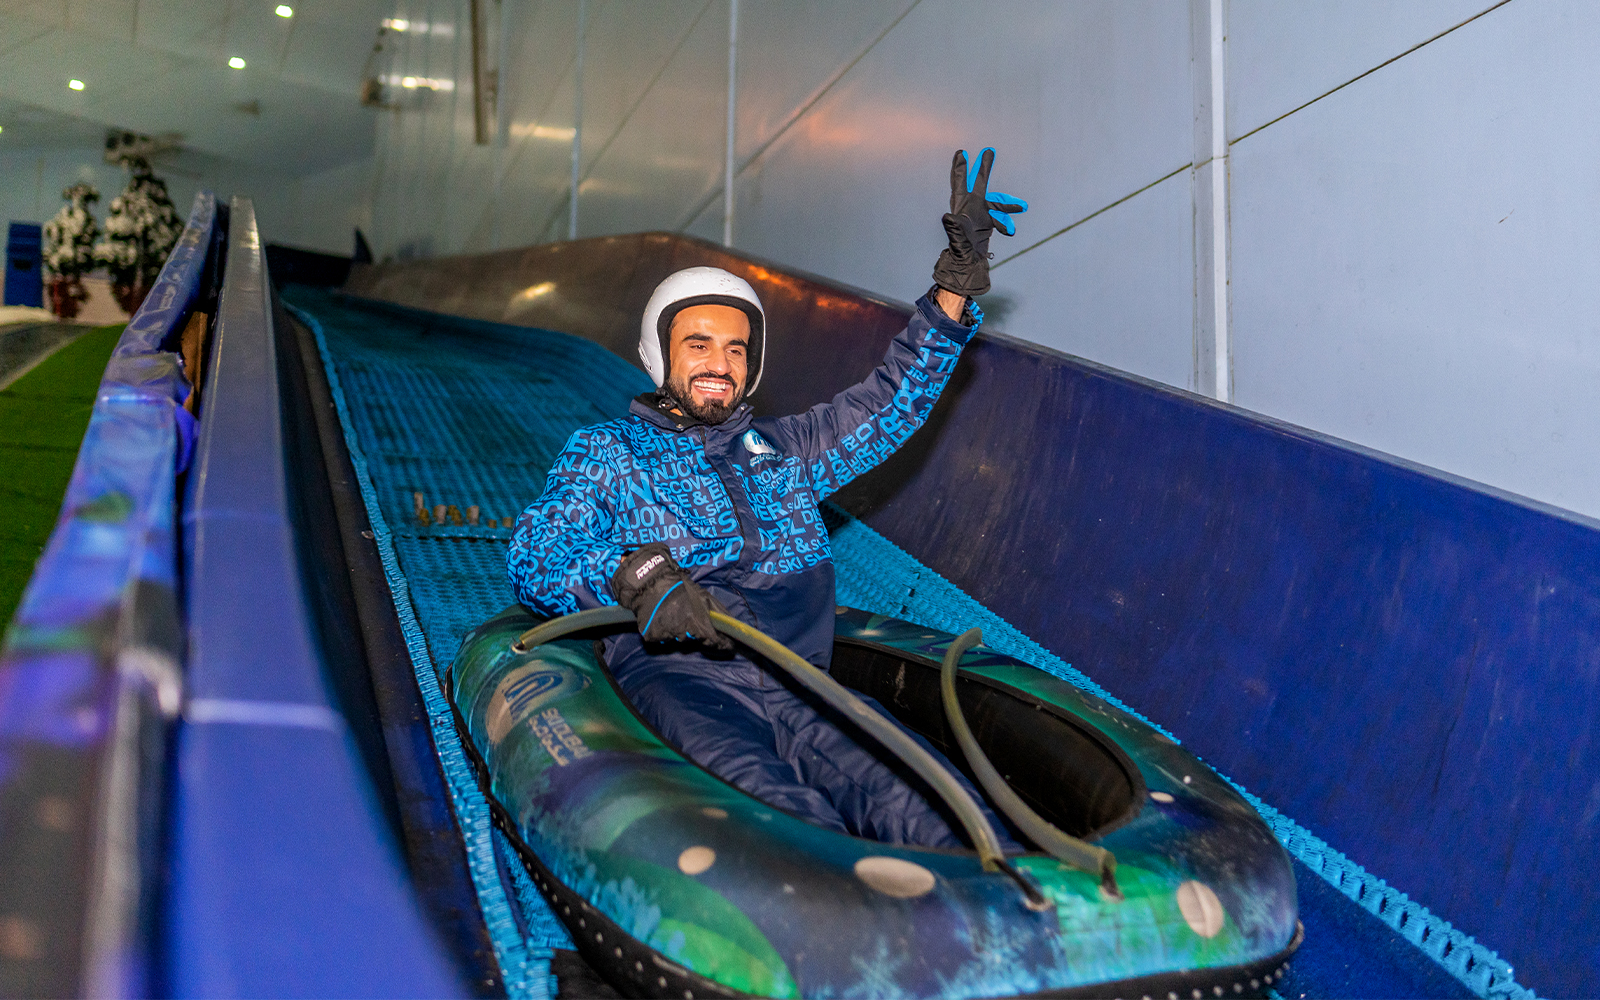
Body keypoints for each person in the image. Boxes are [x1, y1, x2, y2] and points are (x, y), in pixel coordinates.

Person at [508, 148, 1026, 847]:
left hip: (800, 679)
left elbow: (890, 403)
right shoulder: (609, 455)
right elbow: (537, 554)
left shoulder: (785, 454)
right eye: (698, 345)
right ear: (661, 357)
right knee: (788, 832)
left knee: (935, 812)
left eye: (736, 349)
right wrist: (637, 582)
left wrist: (954, 290)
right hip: (689, 683)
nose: (719, 363)